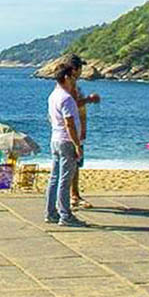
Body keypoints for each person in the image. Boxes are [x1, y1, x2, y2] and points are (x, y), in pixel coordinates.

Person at [46, 64, 86, 227]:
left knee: (55, 177)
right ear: (67, 78)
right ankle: (65, 214)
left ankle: (51, 212)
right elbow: (70, 123)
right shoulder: (66, 98)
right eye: (73, 77)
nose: (75, 81)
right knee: (65, 179)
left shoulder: (53, 95)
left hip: (55, 139)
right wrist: (77, 144)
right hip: (66, 140)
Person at [65, 55, 101, 209]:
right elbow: (71, 106)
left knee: (75, 164)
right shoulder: (70, 85)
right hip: (73, 131)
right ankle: (73, 196)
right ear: (75, 69)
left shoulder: (71, 84)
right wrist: (89, 100)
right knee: (73, 163)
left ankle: (74, 194)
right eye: (80, 68)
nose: (81, 71)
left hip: (78, 128)